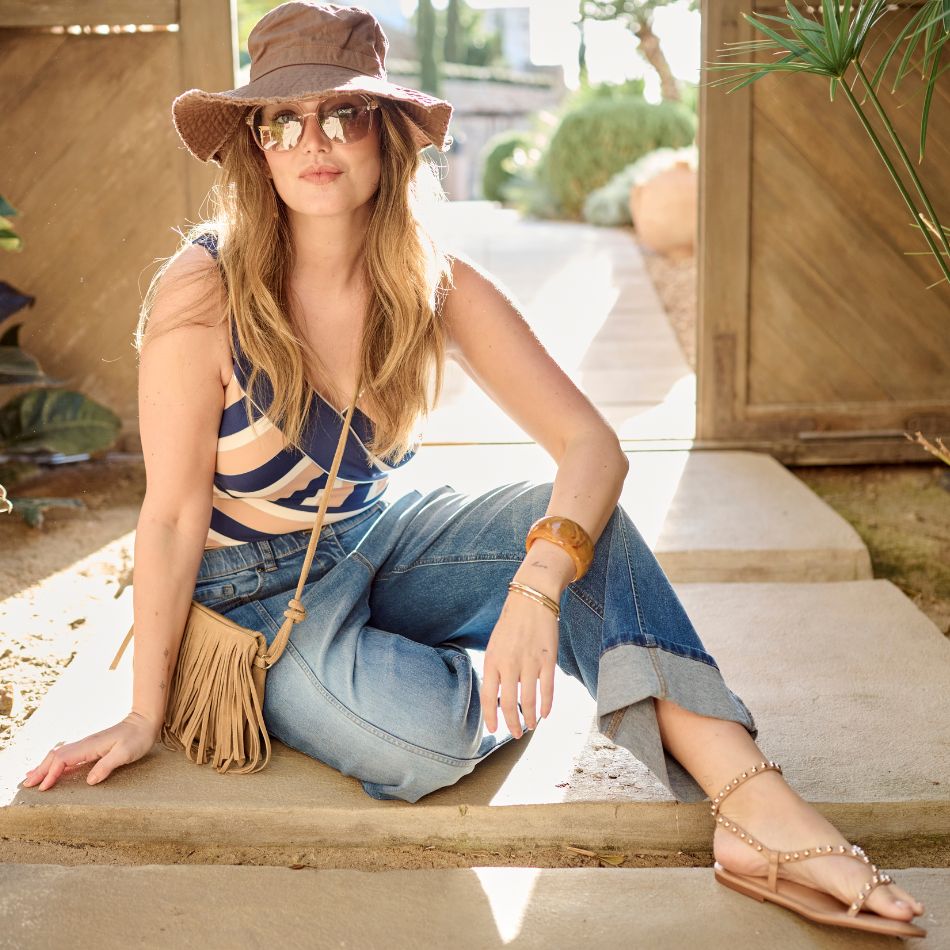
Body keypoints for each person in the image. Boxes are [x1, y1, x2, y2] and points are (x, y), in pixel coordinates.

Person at [21, 2, 925, 938]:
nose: (312, 140)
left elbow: (592, 449)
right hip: (252, 602)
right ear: (255, 145)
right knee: (422, 743)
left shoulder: (428, 277)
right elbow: (169, 519)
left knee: (576, 531)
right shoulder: (203, 287)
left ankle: (755, 808)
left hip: (373, 543)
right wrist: (142, 713)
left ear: (390, 136)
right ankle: (527, 670)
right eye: (282, 118)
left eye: (345, 113)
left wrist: (537, 590)